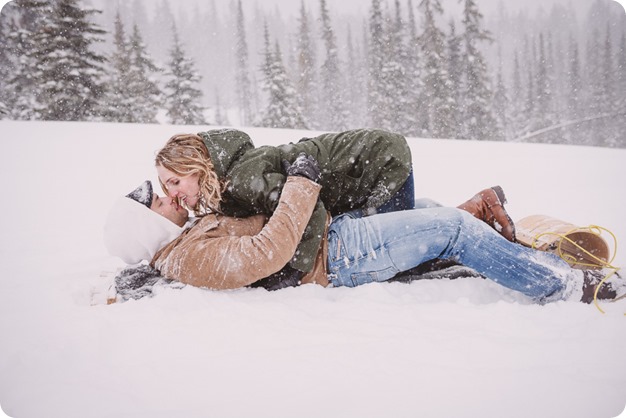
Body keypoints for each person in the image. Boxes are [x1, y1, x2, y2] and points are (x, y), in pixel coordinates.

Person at [104, 154, 621, 305]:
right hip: (336, 257)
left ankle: (530, 246)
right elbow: (267, 252)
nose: (168, 196)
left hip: (332, 232)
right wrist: (302, 182)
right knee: (448, 228)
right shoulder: (185, 258)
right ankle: (567, 286)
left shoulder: (188, 235)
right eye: (158, 200)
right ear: (147, 229)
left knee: (437, 211)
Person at [153, 128, 516, 285]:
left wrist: (295, 270)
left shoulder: (242, 179)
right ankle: (478, 207)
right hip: (370, 163)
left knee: (405, 260)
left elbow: (307, 206)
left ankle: (474, 217)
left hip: (378, 165)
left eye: (174, 182)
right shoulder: (231, 180)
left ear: (196, 167)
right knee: (402, 232)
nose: (174, 194)